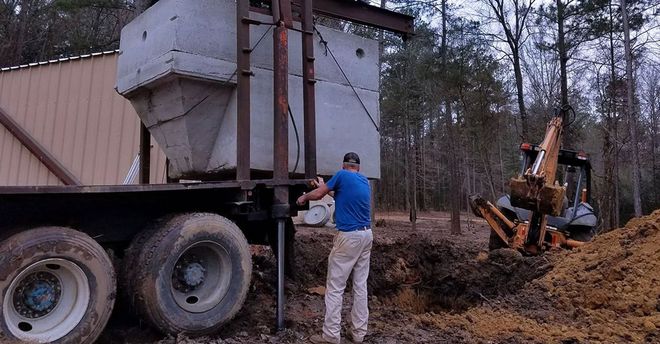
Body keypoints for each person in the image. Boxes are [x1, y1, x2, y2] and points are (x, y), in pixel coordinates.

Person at [296, 152, 373, 344]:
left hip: (349, 237)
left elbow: (321, 194)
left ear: (343, 165)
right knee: (360, 285)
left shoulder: (341, 174)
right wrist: (324, 185)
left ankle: (330, 336)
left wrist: (304, 197)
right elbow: (338, 193)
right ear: (358, 167)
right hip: (366, 235)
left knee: (335, 288)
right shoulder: (364, 181)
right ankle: (358, 334)